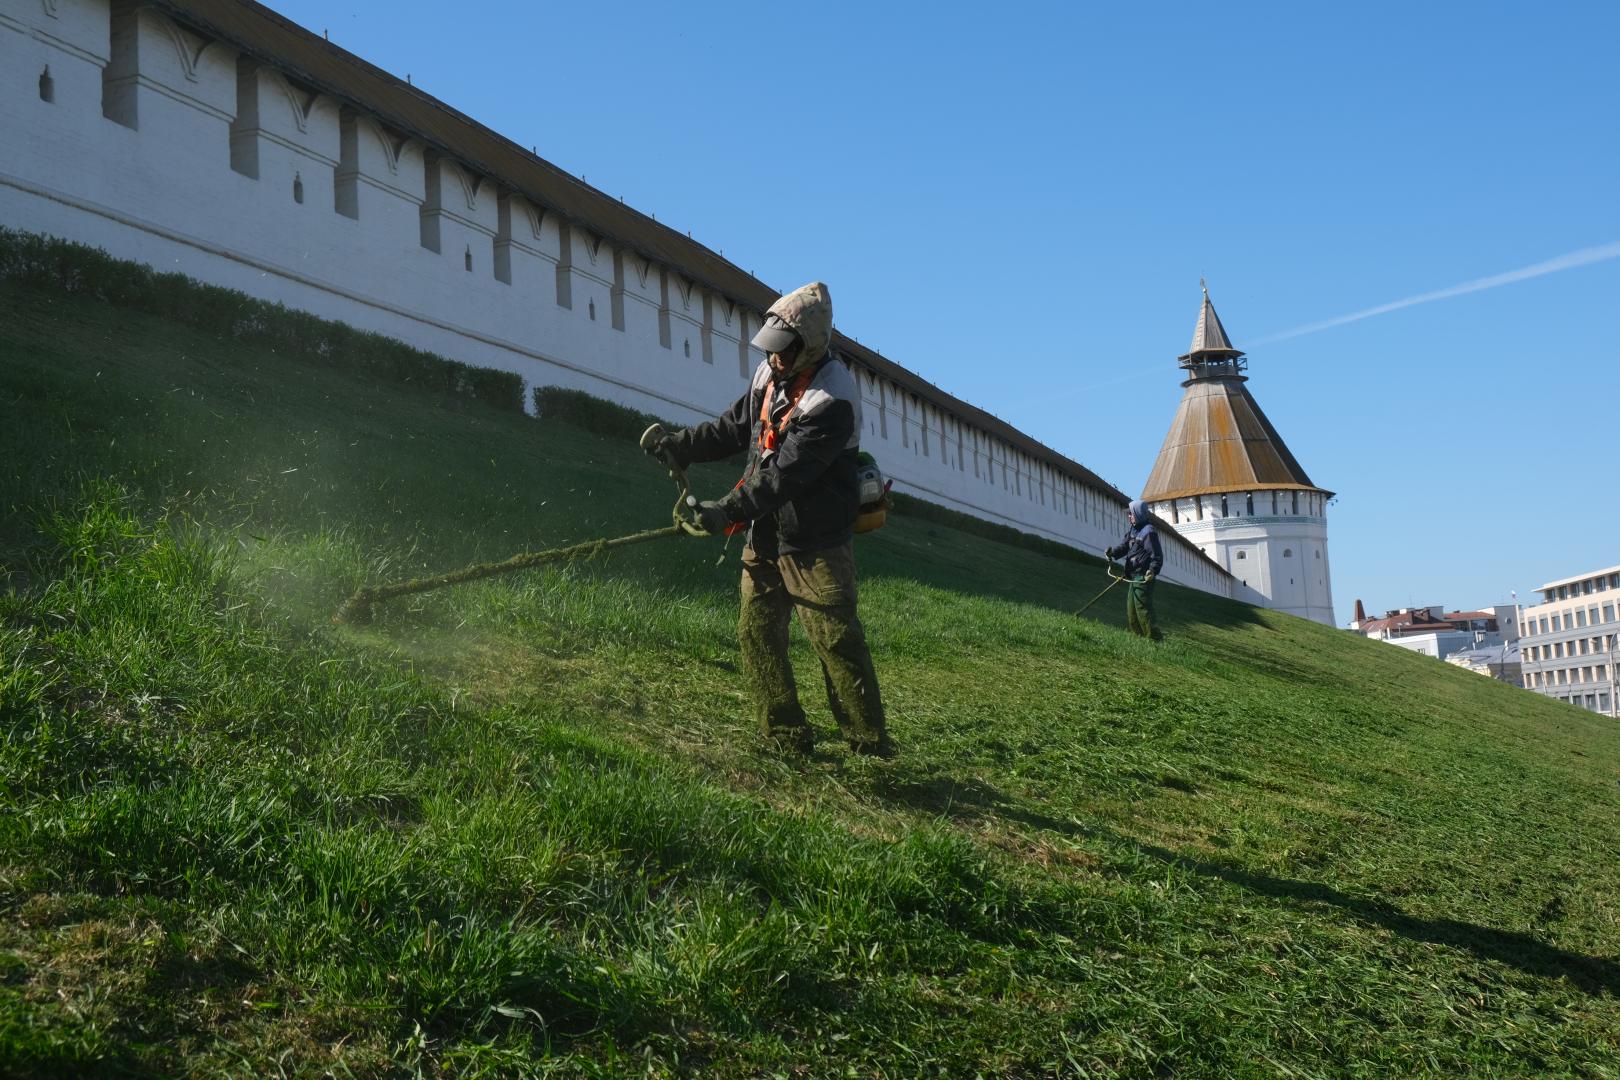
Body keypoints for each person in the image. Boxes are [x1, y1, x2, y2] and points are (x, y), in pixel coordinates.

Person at [644, 282, 890, 757]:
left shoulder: (832, 399)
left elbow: (784, 477)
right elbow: (735, 427)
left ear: (809, 345)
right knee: (756, 632)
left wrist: (726, 510)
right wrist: (680, 446)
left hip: (816, 541)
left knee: (836, 640)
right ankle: (785, 736)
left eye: (784, 349)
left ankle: (869, 745)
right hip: (765, 532)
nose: (775, 357)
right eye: (770, 348)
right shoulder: (768, 374)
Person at [1106, 499, 1164, 641]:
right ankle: (1140, 639)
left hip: (1143, 578)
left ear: (1138, 514)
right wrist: (1113, 553)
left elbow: (1156, 556)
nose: (1129, 516)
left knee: (1142, 609)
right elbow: (1125, 546)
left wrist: (1152, 571)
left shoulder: (1148, 532)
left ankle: (1155, 640)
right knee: (1131, 610)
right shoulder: (1134, 530)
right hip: (1133, 577)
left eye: (1131, 514)